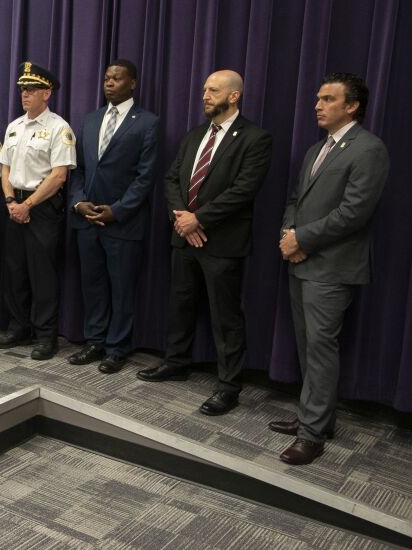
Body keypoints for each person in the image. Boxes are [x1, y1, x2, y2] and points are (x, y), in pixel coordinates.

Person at [137, 70, 273, 417]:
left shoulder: (255, 138)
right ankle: (176, 362)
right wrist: (183, 219)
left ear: (234, 96)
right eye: (204, 90)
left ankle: (228, 386)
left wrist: (199, 219)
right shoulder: (195, 135)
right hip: (184, 236)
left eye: (213, 90)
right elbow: (171, 179)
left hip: (222, 242)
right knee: (180, 304)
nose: (205, 96)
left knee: (225, 316)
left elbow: (243, 190)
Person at [272, 73, 389, 465]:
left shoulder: (369, 149)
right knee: (308, 347)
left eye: (327, 99)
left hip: (333, 267)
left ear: (351, 106)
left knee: (321, 349)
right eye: (318, 98)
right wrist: (289, 235)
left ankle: (311, 435)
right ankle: (317, 418)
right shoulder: (315, 149)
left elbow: (354, 213)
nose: (317, 105)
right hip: (301, 262)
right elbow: (296, 199)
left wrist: (302, 239)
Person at [68, 60, 159, 373]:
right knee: (92, 285)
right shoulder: (91, 119)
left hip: (123, 222)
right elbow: (78, 169)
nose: (109, 83)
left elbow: (146, 177)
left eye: (117, 78)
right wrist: (78, 202)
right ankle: (95, 341)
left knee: (121, 289)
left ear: (132, 83)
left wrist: (117, 210)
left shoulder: (147, 122)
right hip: (86, 219)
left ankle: (117, 348)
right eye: (106, 78)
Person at [0, 62, 76, 361]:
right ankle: (18, 328)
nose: (24, 94)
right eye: (22, 90)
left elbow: (59, 175)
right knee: (15, 270)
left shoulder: (59, 128)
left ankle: (45, 336)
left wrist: (27, 205)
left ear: (46, 93)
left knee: (43, 275)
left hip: (42, 207)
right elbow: (5, 168)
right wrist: (11, 201)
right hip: (14, 204)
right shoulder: (14, 126)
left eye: (31, 89)